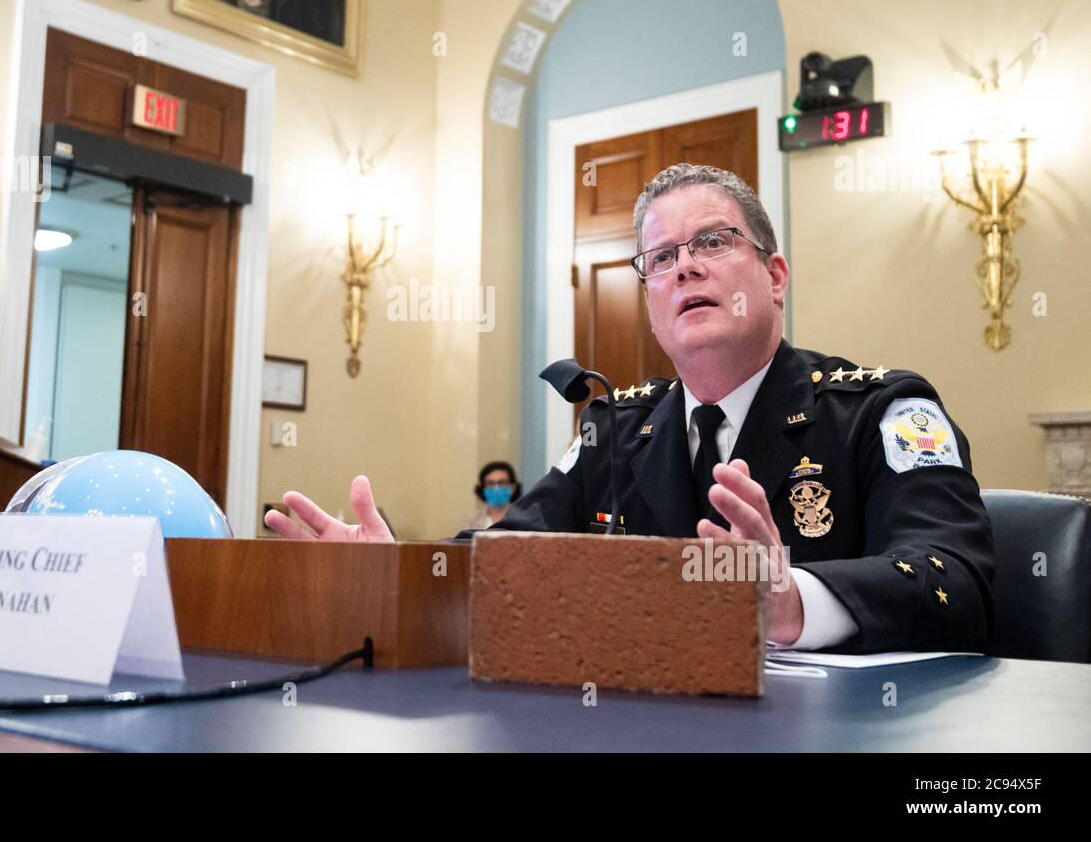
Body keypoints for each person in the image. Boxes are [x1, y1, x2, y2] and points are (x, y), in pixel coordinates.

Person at [264, 163, 995, 655]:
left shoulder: (882, 410)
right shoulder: (617, 427)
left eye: (712, 241)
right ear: (650, 300)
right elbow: (512, 551)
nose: (686, 266)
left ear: (775, 277)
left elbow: (955, 577)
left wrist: (793, 602)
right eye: (662, 258)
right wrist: (401, 573)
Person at [468, 461, 522, 531]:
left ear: (513, 487)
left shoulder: (523, 518)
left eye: (502, 482)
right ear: (483, 489)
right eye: (490, 483)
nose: (496, 488)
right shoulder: (472, 521)